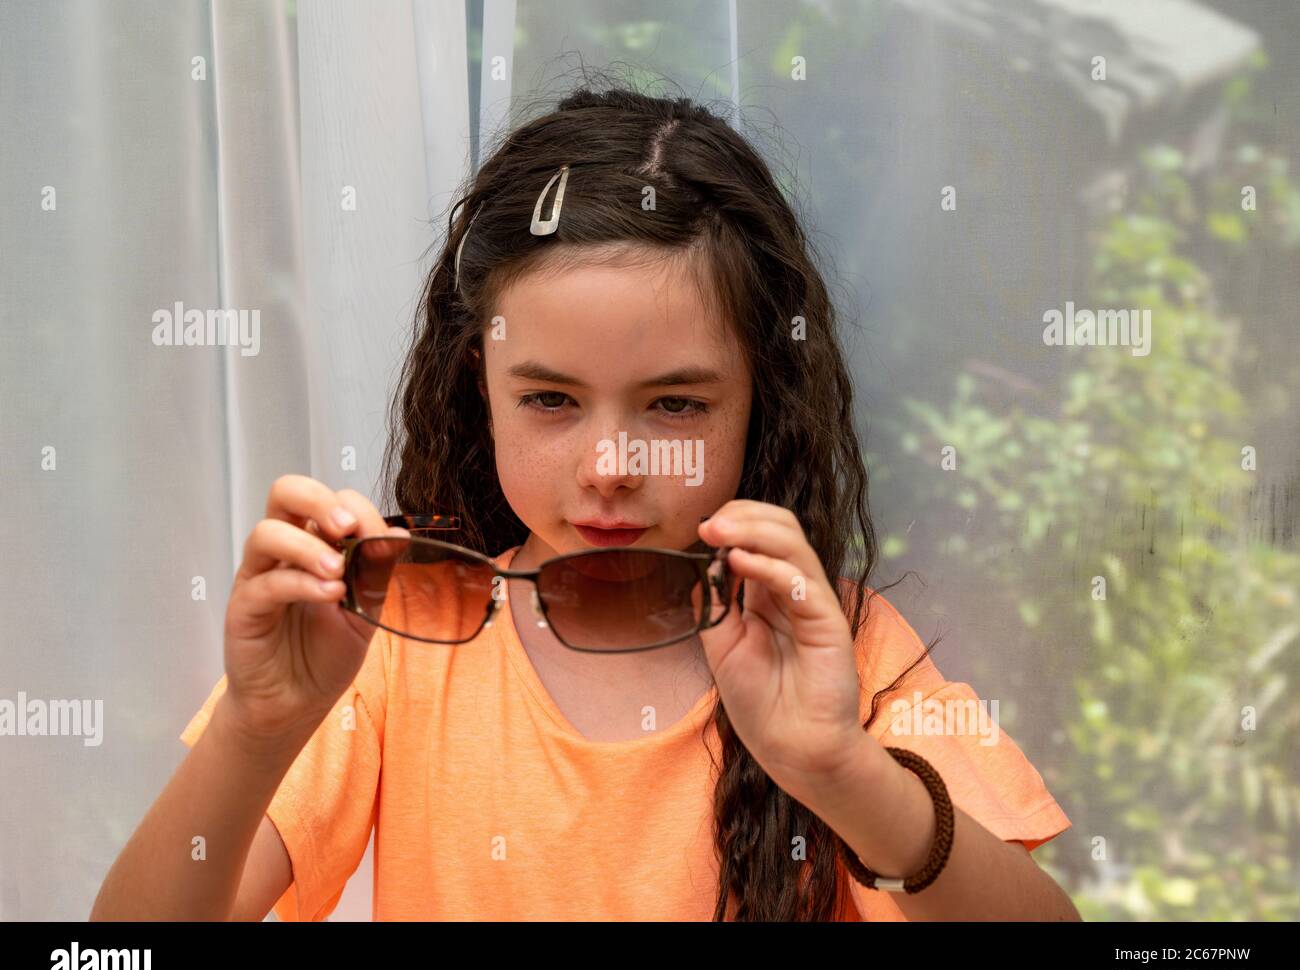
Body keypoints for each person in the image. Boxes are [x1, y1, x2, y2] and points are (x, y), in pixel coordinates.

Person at [92, 82, 1077, 922]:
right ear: (477, 384)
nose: (610, 463)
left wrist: (840, 770)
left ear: (758, 403)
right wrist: (255, 730)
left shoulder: (841, 653)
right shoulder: (392, 639)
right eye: (551, 399)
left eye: (675, 403)